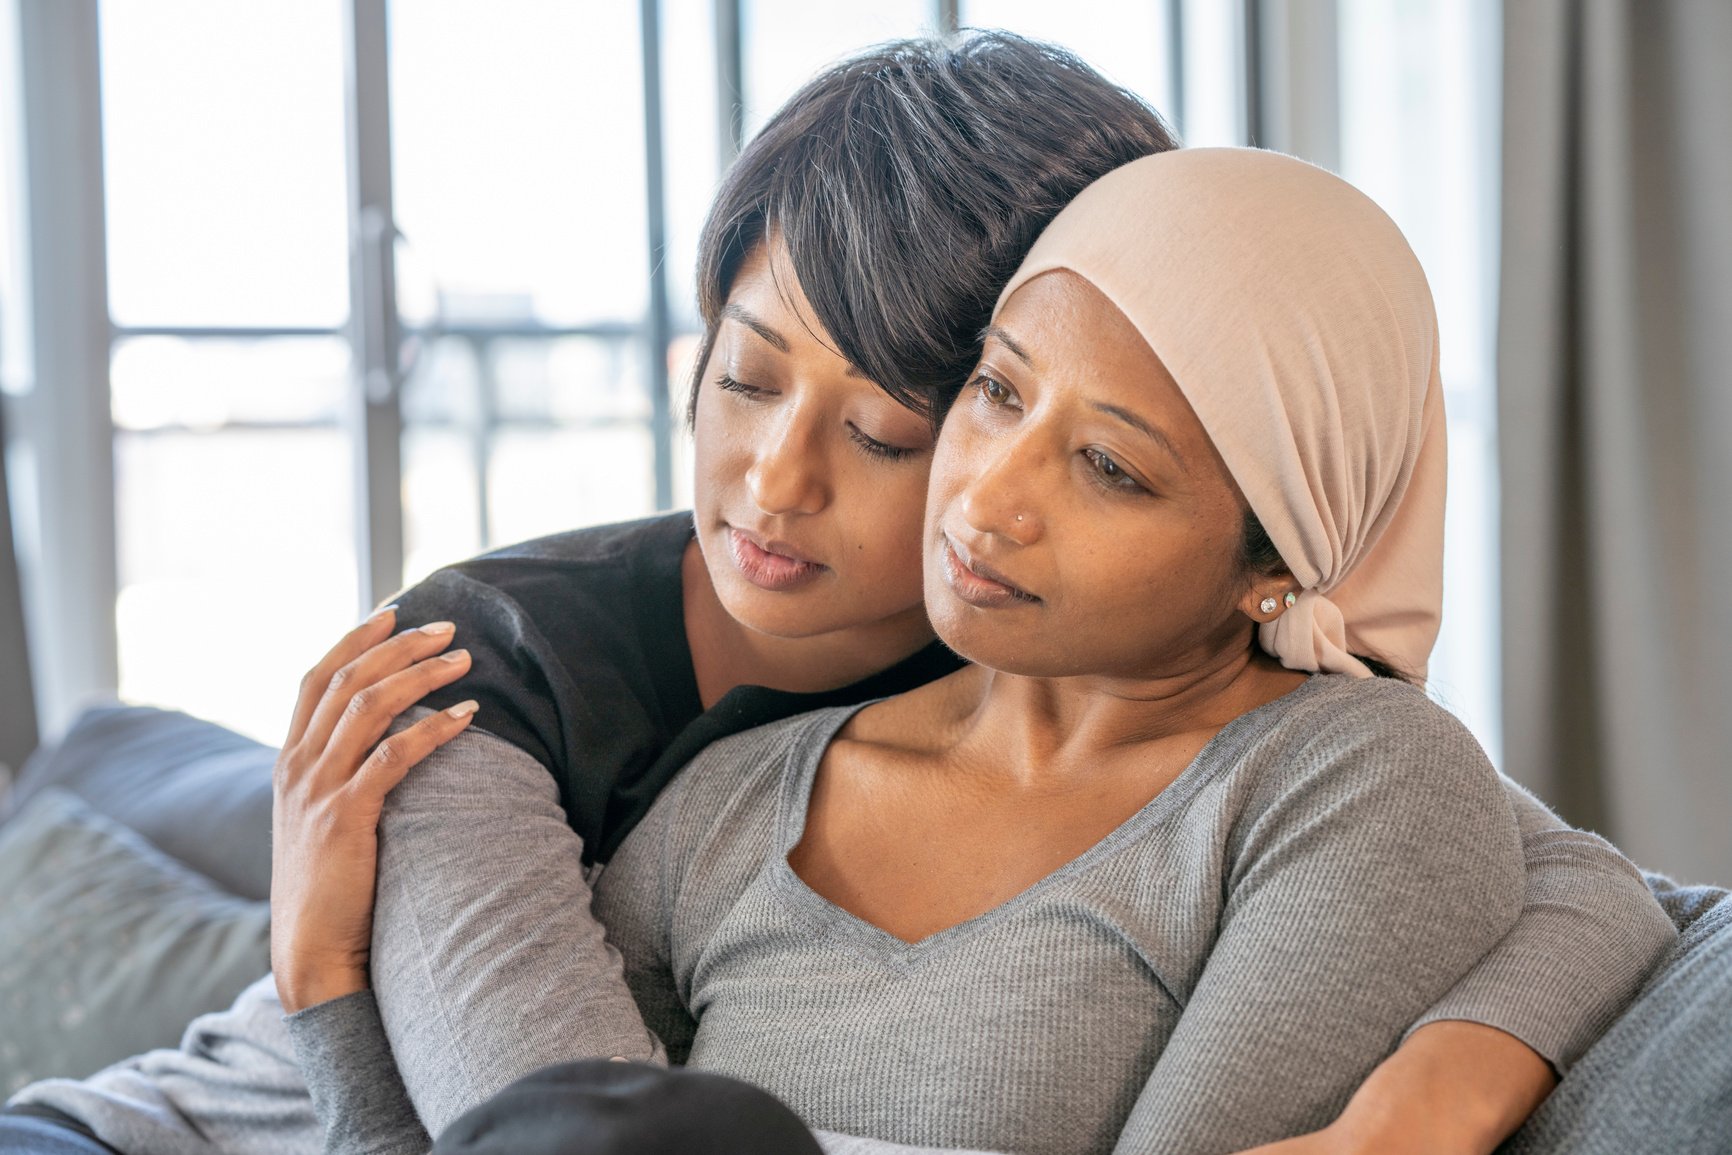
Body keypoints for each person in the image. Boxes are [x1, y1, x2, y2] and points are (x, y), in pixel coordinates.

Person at [0, 35, 1674, 1155]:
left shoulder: (1264, 741)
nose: (774, 486)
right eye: (741, 377)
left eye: (887, 427)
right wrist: (318, 978)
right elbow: (575, 1133)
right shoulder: (485, 680)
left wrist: (1454, 1074)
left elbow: (1577, 873)